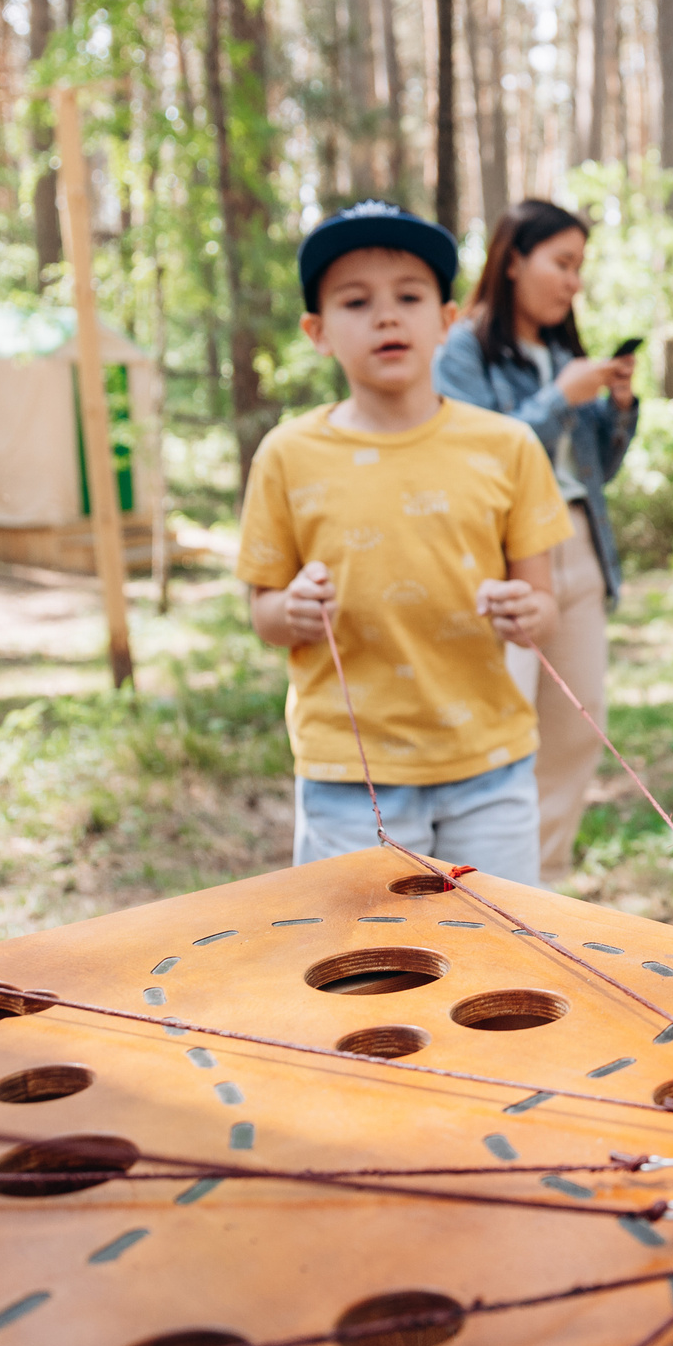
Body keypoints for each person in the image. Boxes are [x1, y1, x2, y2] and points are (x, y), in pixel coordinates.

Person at [241, 201, 572, 881]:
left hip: (490, 765)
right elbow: (265, 614)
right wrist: (292, 610)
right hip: (348, 774)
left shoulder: (507, 446)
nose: (387, 316)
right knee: (366, 964)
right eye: (356, 301)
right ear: (318, 330)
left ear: (447, 322)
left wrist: (526, 613)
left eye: (410, 297)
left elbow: (544, 603)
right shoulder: (286, 454)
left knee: (504, 958)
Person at [433, 200, 639, 882]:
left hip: (579, 547)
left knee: (579, 730)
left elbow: (595, 473)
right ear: (513, 259)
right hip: (507, 558)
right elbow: (474, 459)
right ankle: (477, 891)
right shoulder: (460, 347)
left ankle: (537, 890)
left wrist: (617, 411)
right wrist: (558, 397)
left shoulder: (561, 353)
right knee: (501, 734)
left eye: (580, 266)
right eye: (562, 262)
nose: (573, 282)